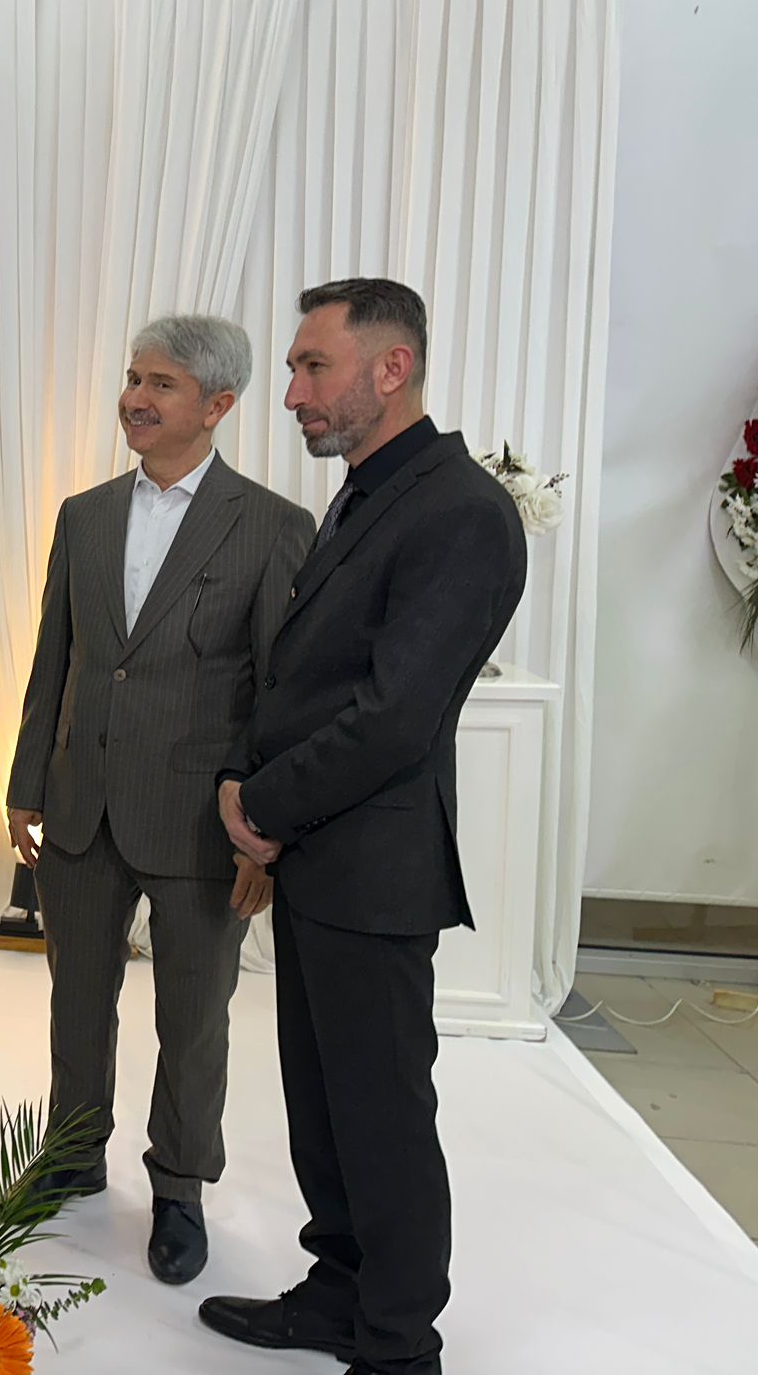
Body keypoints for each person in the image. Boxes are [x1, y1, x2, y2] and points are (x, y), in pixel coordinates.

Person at [197, 280, 526, 1375]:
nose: (292, 392)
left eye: (312, 367)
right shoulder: (371, 493)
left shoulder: (460, 510)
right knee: (325, 1106)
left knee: (379, 1119)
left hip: (372, 869)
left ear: (391, 369)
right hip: (320, 860)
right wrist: (248, 780)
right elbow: (306, 677)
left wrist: (260, 807)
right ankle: (338, 1295)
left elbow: (394, 715)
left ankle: (395, 1345)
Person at [6, 315, 312, 1285]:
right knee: (75, 998)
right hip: (79, 806)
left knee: (192, 1019)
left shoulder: (271, 527)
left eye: (160, 385)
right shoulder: (84, 515)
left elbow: (281, 694)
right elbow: (53, 659)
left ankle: (179, 1187)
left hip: (201, 826)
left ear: (217, 405)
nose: (134, 399)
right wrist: (24, 784)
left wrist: (263, 835)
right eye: (132, 379)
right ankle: (71, 1153)